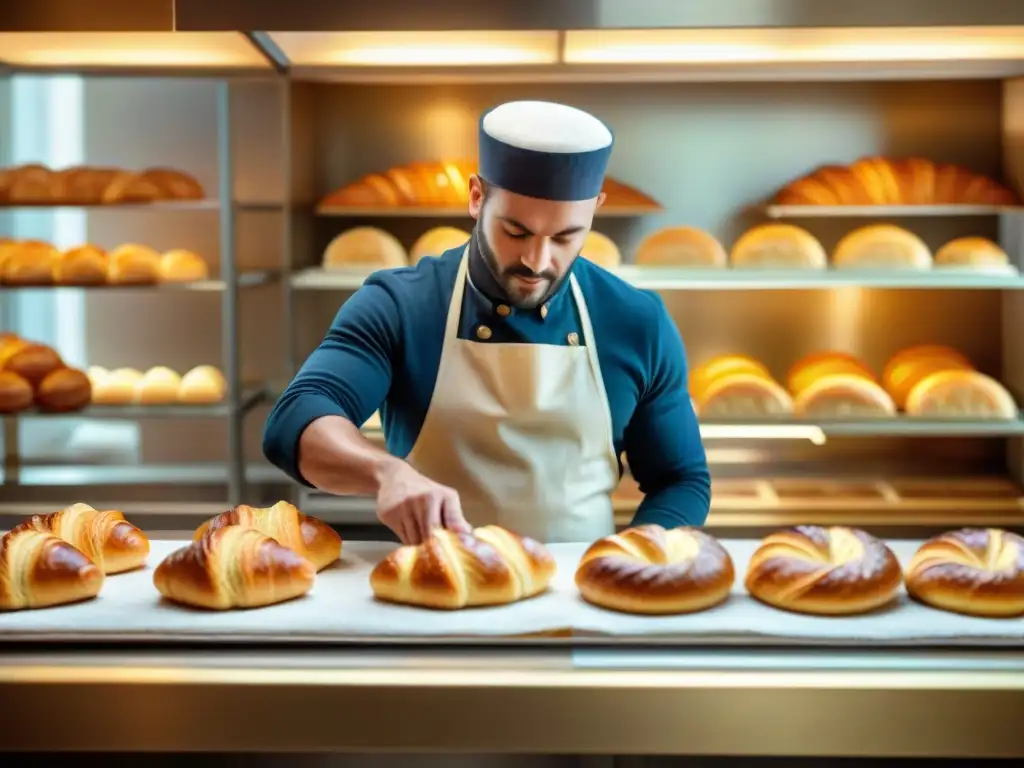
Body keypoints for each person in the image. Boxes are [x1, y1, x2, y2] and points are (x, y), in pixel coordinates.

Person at [263, 99, 710, 545]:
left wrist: (636, 557)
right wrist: (384, 472)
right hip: (438, 588)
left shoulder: (636, 320)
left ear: (595, 208)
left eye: (565, 237)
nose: (537, 261)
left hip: (580, 595)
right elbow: (297, 419)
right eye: (515, 232)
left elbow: (680, 480)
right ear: (477, 198)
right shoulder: (402, 304)